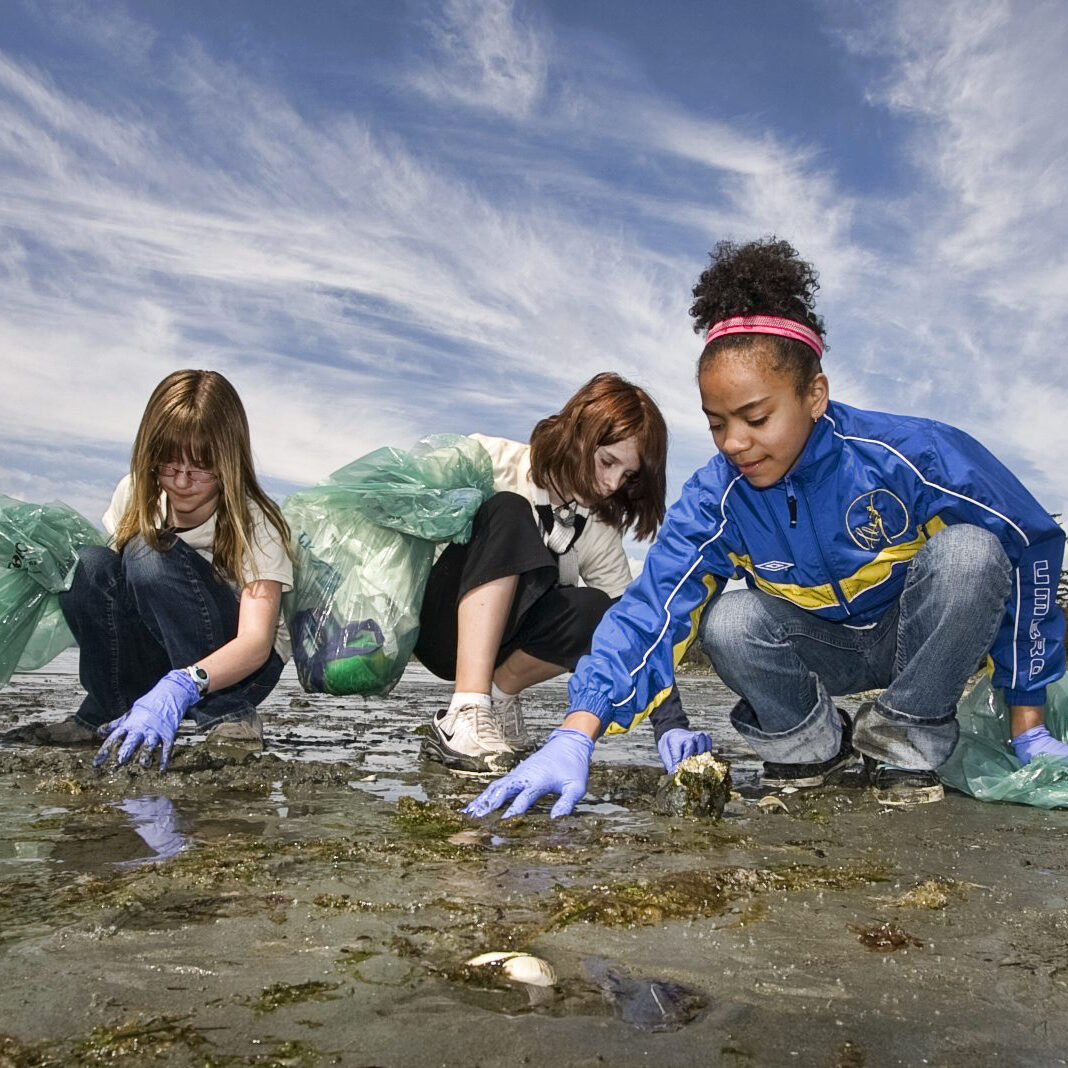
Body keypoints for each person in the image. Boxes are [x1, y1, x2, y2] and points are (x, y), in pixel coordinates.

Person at [465, 237, 1066, 816]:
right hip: (815, 651)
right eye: (717, 423)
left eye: (755, 417)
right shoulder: (716, 498)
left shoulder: (911, 454)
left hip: (910, 641)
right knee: (727, 619)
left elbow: (1032, 545)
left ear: (815, 395)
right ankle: (810, 748)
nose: (735, 443)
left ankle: (902, 740)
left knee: (971, 554)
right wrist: (577, 732)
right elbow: (650, 610)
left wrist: (1027, 718)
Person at [416, 372, 706, 776]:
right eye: (607, 461)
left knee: (600, 609)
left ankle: (496, 700)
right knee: (510, 511)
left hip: (503, 646)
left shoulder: (599, 527)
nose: (610, 485)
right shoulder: (488, 459)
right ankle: (465, 707)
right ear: (577, 433)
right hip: (436, 627)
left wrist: (671, 726)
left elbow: (637, 628)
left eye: (626, 476)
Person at [5, 370, 294, 770]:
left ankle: (228, 715)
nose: (181, 482)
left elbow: (256, 642)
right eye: (167, 464)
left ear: (230, 460)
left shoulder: (255, 520)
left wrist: (182, 685)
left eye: (201, 467)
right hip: (163, 655)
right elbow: (112, 598)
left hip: (242, 673)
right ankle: (108, 710)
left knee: (149, 554)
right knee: (88, 566)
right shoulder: (135, 493)